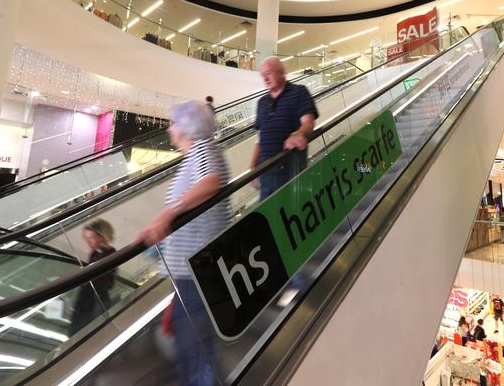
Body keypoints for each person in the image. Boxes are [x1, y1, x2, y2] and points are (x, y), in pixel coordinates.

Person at [137, 100, 231, 386]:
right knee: (190, 342)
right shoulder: (194, 155)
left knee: (194, 345)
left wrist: (169, 212)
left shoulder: (203, 148)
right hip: (189, 268)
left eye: (173, 122)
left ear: (188, 126)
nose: (169, 127)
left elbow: (211, 182)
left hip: (197, 268)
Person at [251, 56, 318, 200]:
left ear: (282, 72)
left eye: (269, 73)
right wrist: (252, 168)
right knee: (268, 216)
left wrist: (298, 134)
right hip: (265, 172)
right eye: (262, 75)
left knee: (289, 212)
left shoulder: (299, 92)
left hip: (289, 169)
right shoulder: (262, 102)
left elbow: (309, 122)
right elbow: (259, 138)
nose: (265, 78)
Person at [69, 219, 117, 335]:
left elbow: (107, 282)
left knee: (90, 333)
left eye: (91, 238)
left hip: (96, 302)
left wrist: (86, 276)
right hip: (86, 301)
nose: (87, 242)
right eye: (86, 238)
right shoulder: (95, 253)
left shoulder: (110, 254)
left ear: (102, 236)